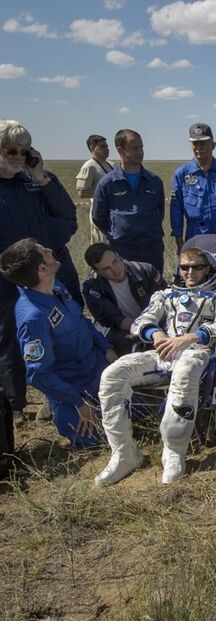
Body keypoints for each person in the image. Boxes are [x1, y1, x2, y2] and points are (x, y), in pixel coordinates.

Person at [94, 247, 216, 486]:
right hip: (164, 353)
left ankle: (174, 452)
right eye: (185, 267)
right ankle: (124, 454)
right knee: (113, 374)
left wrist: (191, 337)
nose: (190, 272)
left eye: (197, 267)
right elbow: (142, 320)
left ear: (209, 269)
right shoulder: (165, 295)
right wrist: (157, 334)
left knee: (185, 370)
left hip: (199, 354)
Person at [0, 120, 82, 426]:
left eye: (26, 151)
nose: (18, 156)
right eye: (11, 150)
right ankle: (15, 404)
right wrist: (19, 258)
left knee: (65, 329)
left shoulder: (34, 181)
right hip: (10, 277)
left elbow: (67, 216)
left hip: (51, 270)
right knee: (10, 337)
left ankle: (62, 392)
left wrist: (41, 176)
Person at [0, 239, 115, 449]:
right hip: (74, 390)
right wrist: (79, 403)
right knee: (100, 437)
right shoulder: (33, 318)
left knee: (150, 411)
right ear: (42, 269)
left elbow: (83, 322)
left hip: (100, 371)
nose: (50, 250)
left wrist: (107, 348)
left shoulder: (56, 287)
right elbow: (38, 374)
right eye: (45, 251)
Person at [92, 129, 166, 273]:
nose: (140, 152)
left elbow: (160, 212)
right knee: (127, 291)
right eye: (134, 148)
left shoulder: (154, 181)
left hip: (152, 249)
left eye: (141, 147)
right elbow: (98, 217)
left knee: (156, 292)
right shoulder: (107, 183)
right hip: (122, 251)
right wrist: (118, 232)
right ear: (120, 149)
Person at [82, 243, 166, 355]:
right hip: (121, 328)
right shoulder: (92, 288)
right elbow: (116, 320)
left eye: (115, 262)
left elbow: (165, 302)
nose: (115, 270)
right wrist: (147, 331)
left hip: (156, 319)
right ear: (96, 271)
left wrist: (154, 329)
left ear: (118, 255)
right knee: (135, 348)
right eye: (106, 268)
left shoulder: (145, 270)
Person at [169, 123, 216, 251]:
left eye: (204, 143)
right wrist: (179, 240)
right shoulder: (181, 174)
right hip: (194, 236)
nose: (199, 147)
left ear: (213, 145)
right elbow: (176, 210)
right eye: (195, 143)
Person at [75, 134, 114, 244]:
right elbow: (81, 192)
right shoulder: (89, 166)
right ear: (92, 148)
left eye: (107, 146)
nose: (106, 149)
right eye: (102, 146)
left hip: (113, 211)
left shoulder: (111, 164)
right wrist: (103, 193)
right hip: (100, 211)